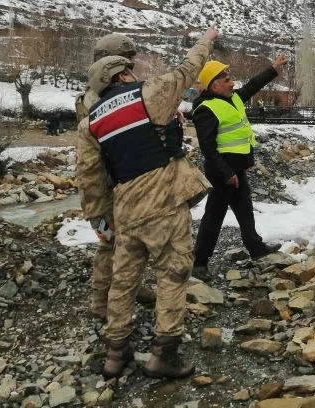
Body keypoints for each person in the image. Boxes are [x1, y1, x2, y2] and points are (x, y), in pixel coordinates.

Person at [76, 26, 218, 379]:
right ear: (121, 74)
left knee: (123, 280)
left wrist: (98, 218)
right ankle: (164, 354)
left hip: (124, 207)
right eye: (130, 66)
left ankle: (116, 353)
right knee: (173, 272)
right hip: (162, 200)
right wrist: (206, 40)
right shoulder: (149, 93)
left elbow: (90, 176)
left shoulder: (89, 122)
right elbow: (189, 68)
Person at [75, 33, 155, 320]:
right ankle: (100, 302)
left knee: (132, 240)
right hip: (109, 183)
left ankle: (131, 287)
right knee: (110, 243)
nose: (131, 65)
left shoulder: (107, 90)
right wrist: (94, 210)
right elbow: (91, 162)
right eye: (127, 59)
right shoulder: (95, 97)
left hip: (125, 179)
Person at [191, 54, 287, 280]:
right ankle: (199, 262)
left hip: (237, 170)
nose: (232, 83)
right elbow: (207, 148)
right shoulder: (206, 109)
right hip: (222, 172)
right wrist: (226, 173)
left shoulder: (232, 98)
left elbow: (253, 85)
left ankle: (256, 248)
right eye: (227, 80)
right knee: (214, 217)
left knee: (245, 210)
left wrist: (273, 69)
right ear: (214, 85)